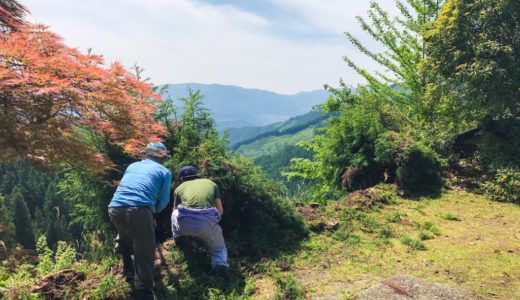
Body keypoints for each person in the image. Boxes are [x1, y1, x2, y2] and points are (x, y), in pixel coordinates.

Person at [108, 142, 172, 300]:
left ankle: (128, 270)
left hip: (114, 207)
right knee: (144, 250)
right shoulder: (164, 171)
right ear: (161, 156)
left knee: (125, 236)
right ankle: (144, 292)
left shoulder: (132, 166)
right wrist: (150, 212)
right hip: (139, 209)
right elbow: (163, 201)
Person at [171, 166, 228, 272]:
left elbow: (174, 210)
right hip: (207, 223)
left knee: (174, 212)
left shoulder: (179, 188)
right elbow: (220, 211)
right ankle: (219, 265)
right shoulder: (211, 184)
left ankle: (178, 237)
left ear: (182, 178)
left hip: (185, 224)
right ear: (196, 174)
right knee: (219, 249)